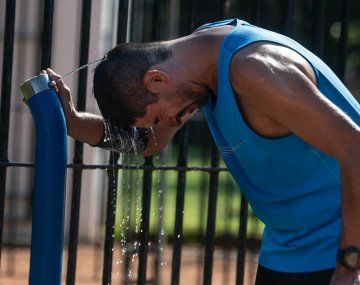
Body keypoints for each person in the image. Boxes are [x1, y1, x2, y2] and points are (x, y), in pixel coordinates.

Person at [46, 18, 360, 285]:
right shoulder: (200, 63)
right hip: (290, 247)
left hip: (342, 248)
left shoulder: (256, 69)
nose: (168, 124)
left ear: (157, 79)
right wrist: (73, 123)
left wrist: (349, 264)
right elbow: (150, 142)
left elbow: (355, 147)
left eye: (159, 117)